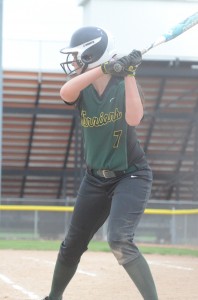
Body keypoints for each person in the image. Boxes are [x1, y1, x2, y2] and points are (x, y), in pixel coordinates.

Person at [42, 26, 158, 300]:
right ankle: (53, 297)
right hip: (95, 179)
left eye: (77, 56)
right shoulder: (82, 88)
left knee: (119, 240)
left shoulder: (121, 85)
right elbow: (65, 93)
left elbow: (134, 119)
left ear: (90, 53)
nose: (73, 63)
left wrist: (128, 73)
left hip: (130, 176)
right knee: (71, 245)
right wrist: (104, 67)